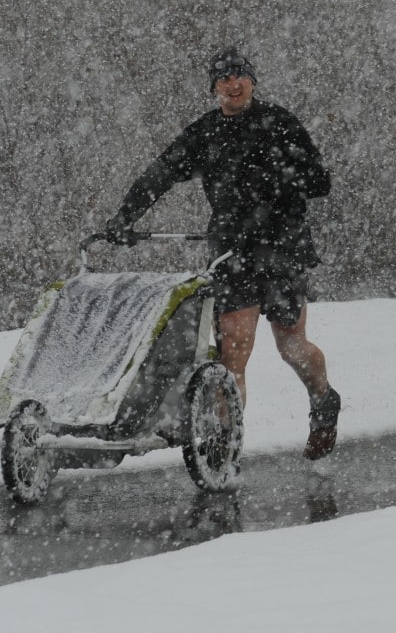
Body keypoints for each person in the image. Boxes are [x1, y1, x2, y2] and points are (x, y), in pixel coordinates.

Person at [102, 46, 342, 459]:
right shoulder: (203, 133)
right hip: (231, 249)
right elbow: (160, 173)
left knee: (292, 347)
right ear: (213, 88)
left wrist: (278, 190)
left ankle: (323, 400)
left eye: (240, 76)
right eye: (224, 79)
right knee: (233, 348)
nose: (233, 84)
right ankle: (223, 446)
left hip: (281, 247)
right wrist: (125, 216)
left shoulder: (279, 123)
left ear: (252, 81)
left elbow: (320, 181)